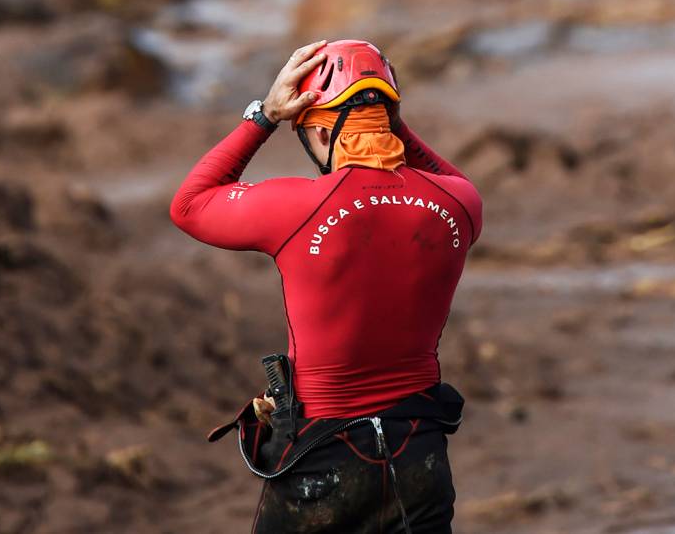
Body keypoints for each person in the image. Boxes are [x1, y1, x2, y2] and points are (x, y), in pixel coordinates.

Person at [169, 39, 483, 533]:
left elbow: (189, 204)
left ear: (317, 129)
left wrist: (264, 115)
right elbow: (447, 179)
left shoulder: (297, 207)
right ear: (389, 118)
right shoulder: (460, 204)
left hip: (324, 459)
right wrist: (389, 119)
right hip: (419, 456)